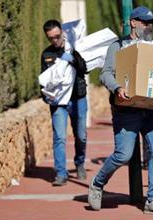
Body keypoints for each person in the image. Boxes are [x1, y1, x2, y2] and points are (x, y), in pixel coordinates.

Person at [88, 6, 153, 215]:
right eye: (145, 22)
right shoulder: (117, 46)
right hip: (126, 111)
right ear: (133, 22)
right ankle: (97, 184)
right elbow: (105, 73)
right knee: (123, 155)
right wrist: (118, 88)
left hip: (151, 110)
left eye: (151, 22)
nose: (149, 26)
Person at [41, 19, 88, 186]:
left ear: (62, 32)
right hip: (58, 103)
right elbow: (44, 81)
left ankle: (80, 162)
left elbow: (84, 69)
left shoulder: (73, 48)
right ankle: (61, 173)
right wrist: (44, 95)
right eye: (51, 38)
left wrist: (73, 59)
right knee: (59, 137)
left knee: (81, 135)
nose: (55, 40)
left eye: (57, 36)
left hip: (78, 98)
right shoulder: (46, 54)